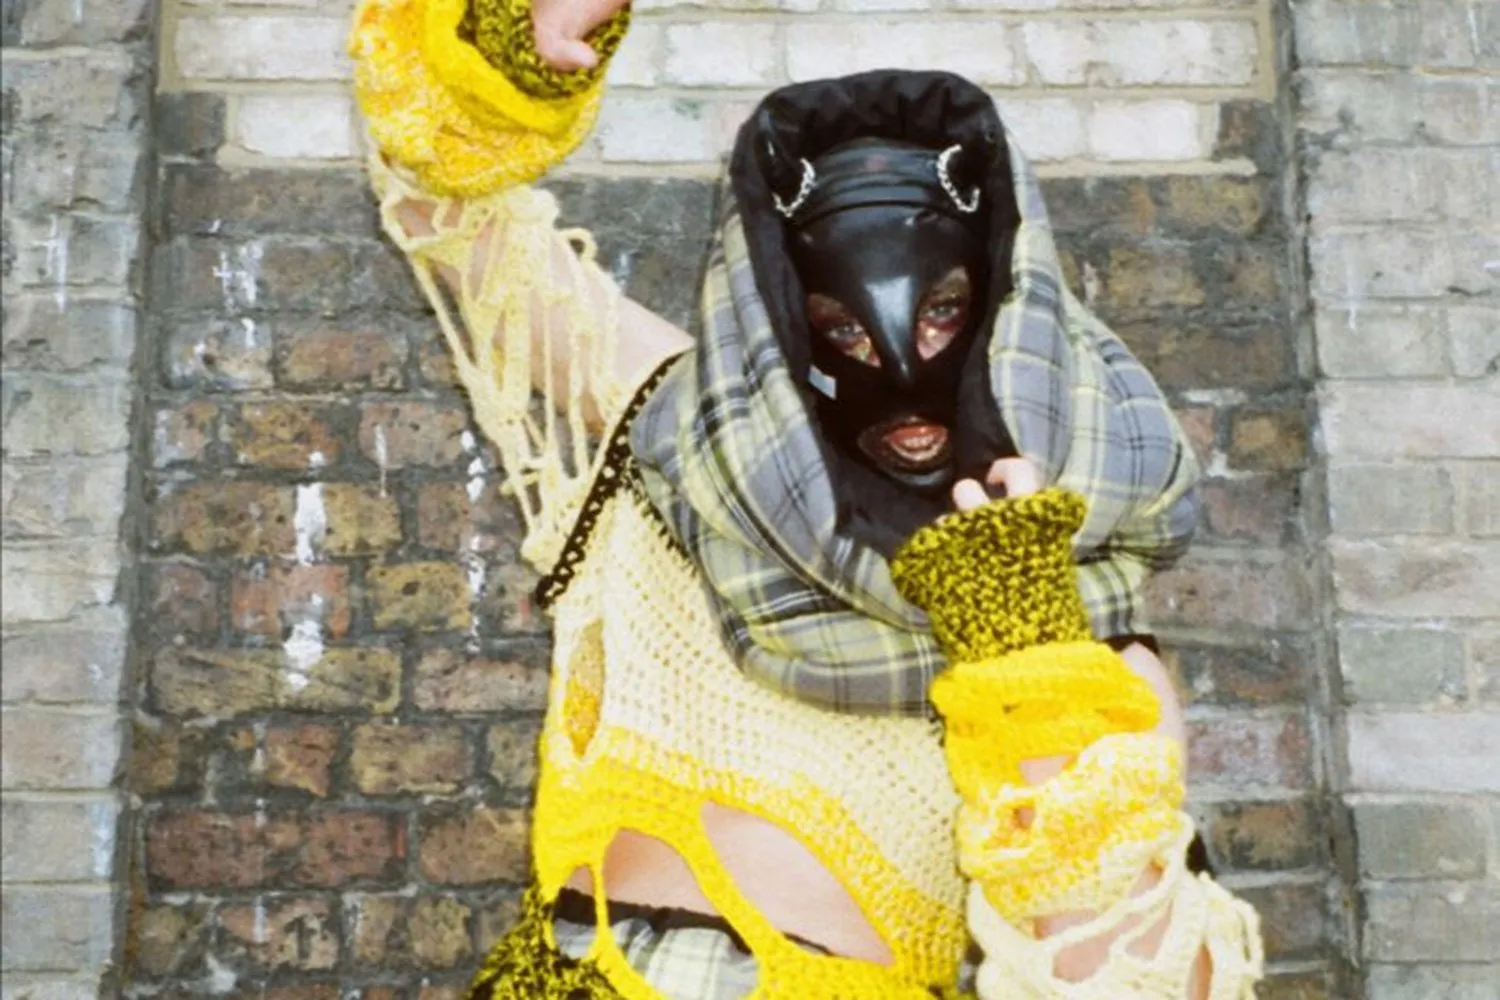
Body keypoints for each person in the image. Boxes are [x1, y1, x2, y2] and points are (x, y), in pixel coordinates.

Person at [348, 1, 1264, 997]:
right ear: (782, 312)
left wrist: (1023, 647)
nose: (901, 369)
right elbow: (456, 227)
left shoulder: (1089, 644)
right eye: (846, 330)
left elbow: (1141, 979)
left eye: (942, 313)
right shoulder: (693, 438)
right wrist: (505, 54)